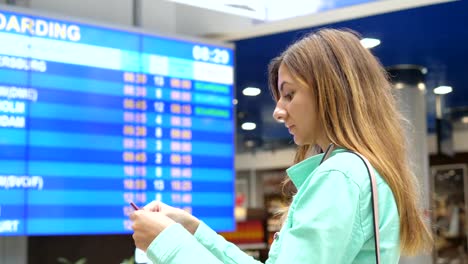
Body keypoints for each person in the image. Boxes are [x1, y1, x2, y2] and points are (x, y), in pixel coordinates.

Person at [130, 28, 433, 263]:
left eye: (289, 95)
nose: (277, 111)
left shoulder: (340, 176)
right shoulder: (356, 171)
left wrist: (166, 242)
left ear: (332, 91)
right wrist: (192, 230)